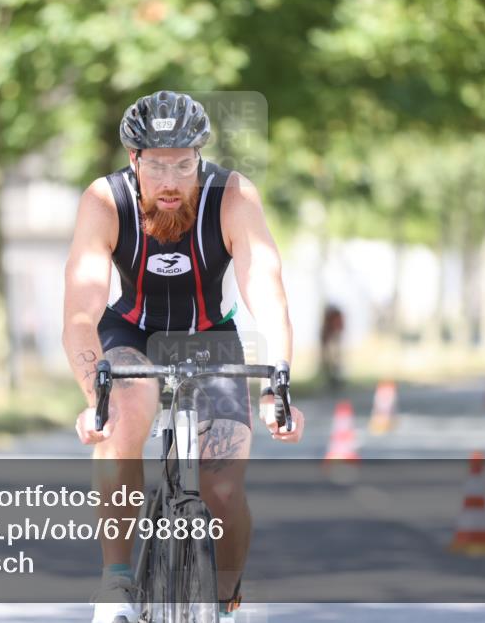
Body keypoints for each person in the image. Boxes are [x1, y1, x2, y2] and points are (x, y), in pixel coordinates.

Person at [62, 90, 305, 623]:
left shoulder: (233, 196)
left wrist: (279, 380)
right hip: (131, 332)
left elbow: (266, 287)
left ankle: (225, 601)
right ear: (134, 161)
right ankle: (117, 583)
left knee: (223, 484)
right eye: (156, 166)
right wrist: (94, 399)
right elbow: (80, 313)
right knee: (126, 414)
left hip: (211, 336)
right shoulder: (106, 202)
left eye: (183, 164)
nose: (170, 182)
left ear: (201, 157)